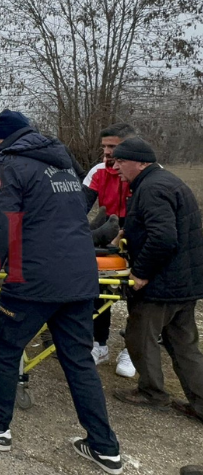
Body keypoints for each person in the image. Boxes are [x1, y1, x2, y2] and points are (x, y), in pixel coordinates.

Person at [0, 109, 122, 475]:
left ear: (3, 139)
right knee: (79, 360)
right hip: (79, 278)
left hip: (33, 278)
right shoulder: (63, 165)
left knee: (5, 350)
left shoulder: (11, 165)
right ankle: (104, 446)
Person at [110, 138, 203, 423]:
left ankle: (152, 393)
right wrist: (130, 231)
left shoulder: (151, 188)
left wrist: (141, 274)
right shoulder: (165, 182)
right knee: (184, 345)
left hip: (161, 285)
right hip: (185, 283)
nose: (115, 167)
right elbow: (163, 226)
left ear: (141, 163)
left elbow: (163, 238)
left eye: (120, 161)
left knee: (140, 337)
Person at [83, 123, 137, 376]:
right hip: (106, 230)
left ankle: (132, 349)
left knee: (137, 295)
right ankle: (99, 343)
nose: (106, 152)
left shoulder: (142, 170)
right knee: (98, 288)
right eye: (104, 146)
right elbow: (80, 206)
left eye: (112, 147)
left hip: (137, 231)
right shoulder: (97, 171)